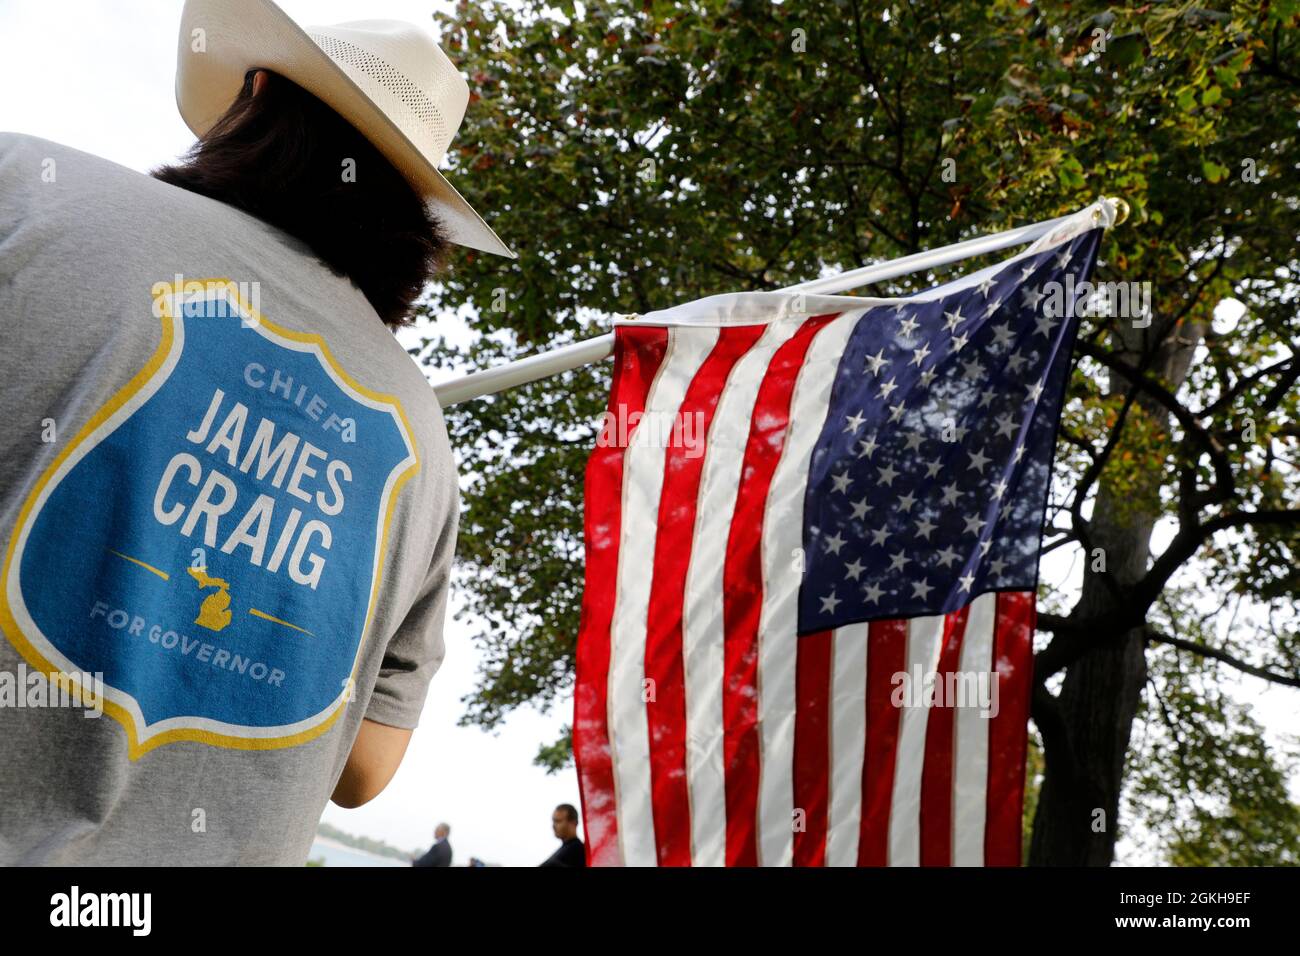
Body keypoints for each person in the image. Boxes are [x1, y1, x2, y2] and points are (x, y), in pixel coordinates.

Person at [0, 0, 514, 866]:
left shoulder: (26, 189)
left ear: (256, 95)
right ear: (418, 215)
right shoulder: (422, 444)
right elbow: (363, 769)